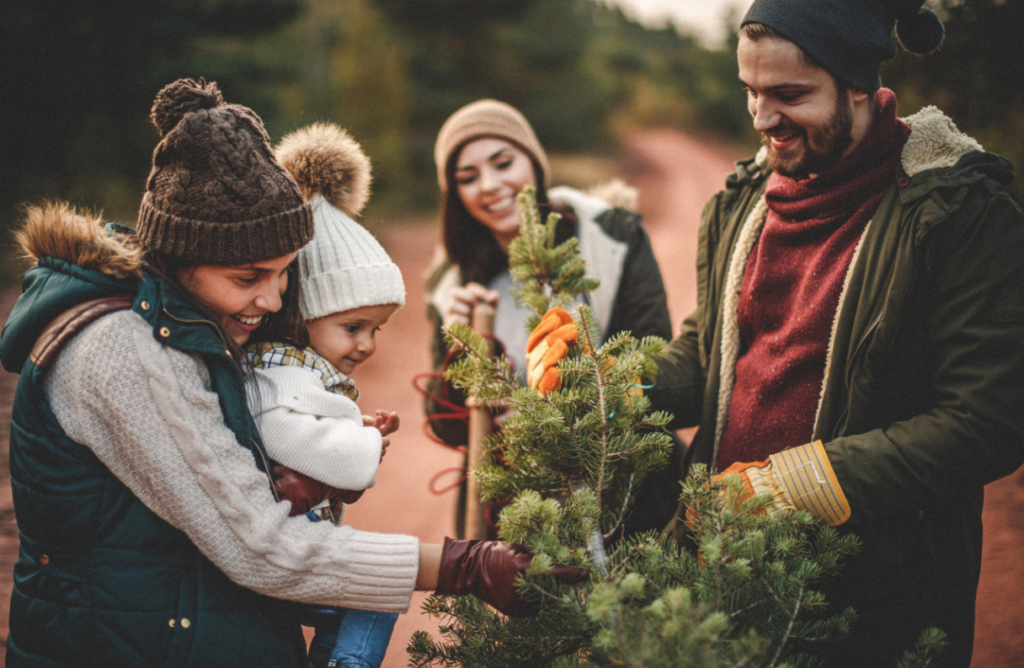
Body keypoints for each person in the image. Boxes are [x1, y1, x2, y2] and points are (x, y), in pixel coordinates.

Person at [0, 78, 585, 667]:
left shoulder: (194, 326)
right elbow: (261, 546)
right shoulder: (121, 349)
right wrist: (463, 566)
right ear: (179, 258)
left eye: (284, 274)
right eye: (248, 277)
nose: (275, 301)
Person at [635, 1, 1024, 666]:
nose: (762, 119)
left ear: (859, 87)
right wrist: (607, 385)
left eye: (789, 95)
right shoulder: (742, 199)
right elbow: (711, 354)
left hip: (872, 603)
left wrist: (802, 484)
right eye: (752, 92)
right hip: (720, 572)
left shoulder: (958, 211)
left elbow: (985, 422)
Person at [424, 99, 681, 538]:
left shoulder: (611, 239)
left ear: (535, 163)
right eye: (467, 178)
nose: (489, 185)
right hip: (518, 507)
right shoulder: (454, 281)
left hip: (621, 492)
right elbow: (445, 426)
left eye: (503, 163)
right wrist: (460, 352)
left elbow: (654, 363)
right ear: (455, 195)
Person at [242, 122, 405, 668]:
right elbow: (281, 430)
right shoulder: (277, 368)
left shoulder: (303, 369)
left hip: (297, 534)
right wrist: (357, 448)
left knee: (371, 598)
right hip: (278, 547)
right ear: (302, 313)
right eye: (354, 327)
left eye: (377, 329)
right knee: (373, 590)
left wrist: (356, 435)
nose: (368, 345)